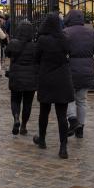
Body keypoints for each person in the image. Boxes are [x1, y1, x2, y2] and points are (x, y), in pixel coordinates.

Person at [33, 13, 74, 159]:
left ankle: (42, 140)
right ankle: (63, 148)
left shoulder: (42, 40)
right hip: (62, 79)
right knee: (61, 116)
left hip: (47, 78)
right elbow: (70, 54)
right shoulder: (65, 39)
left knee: (44, 112)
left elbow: (36, 58)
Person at [63, 10, 94, 138]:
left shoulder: (66, 33)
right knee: (82, 100)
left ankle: (72, 120)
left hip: (70, 70)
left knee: (69, 97)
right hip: (87, 70)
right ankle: (80, 127)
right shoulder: (91, 32)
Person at [5, 20, 38, 136]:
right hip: (31, 78)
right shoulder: (35, 46)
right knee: (28, 103)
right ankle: (23, 125)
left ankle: (16, 118)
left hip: (16, 76)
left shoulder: (14, 43)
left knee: (15, 100)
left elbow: (7, 53)